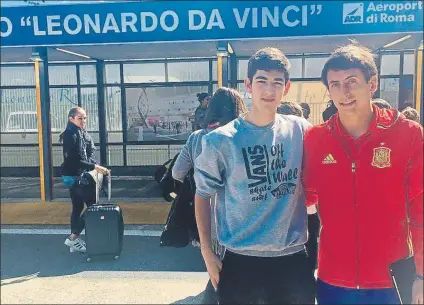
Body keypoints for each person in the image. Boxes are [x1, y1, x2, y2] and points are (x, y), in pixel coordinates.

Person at [302, 42, 423, 304]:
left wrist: (421, 276)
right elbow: (304, 199)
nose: (343, 92)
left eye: (351, 81)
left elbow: (420, 209)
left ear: (373, 83)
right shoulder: (315, 139)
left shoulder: (408, 134)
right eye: (334, 84)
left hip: (391, 280)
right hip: (333, 280)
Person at [194, 47, 315, 304]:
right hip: (240, 262)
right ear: (248, 85)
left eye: (277, 83)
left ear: (287, 87)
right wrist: (207, 251)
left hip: (292, 260)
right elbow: (202, 194)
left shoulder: (301, 131)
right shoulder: (221, 140)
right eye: (261, 81)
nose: (269, 90)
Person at [172, 87, 248, 304]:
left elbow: (177, 172)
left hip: (206, 216)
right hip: (239, 217)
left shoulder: (197, 138)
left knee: (216, 273)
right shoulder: (242, 135)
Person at [276, 101, 320, 278]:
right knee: (310, 243)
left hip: (283, 206)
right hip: (309, 205)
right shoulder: (307, 135)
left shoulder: (276, 139)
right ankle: (308, 274)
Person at [60, 107, 109, 253]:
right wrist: (95, 167)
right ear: (71, 119)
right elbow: (75, 160)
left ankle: (74, 241)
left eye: (85, 118)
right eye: (80, 118)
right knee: (93, 207)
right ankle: (73, 238)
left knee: (77, 207)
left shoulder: (76, 132)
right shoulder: (72, 135)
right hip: (76, 176)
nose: (83, 121)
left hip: (71, 176)